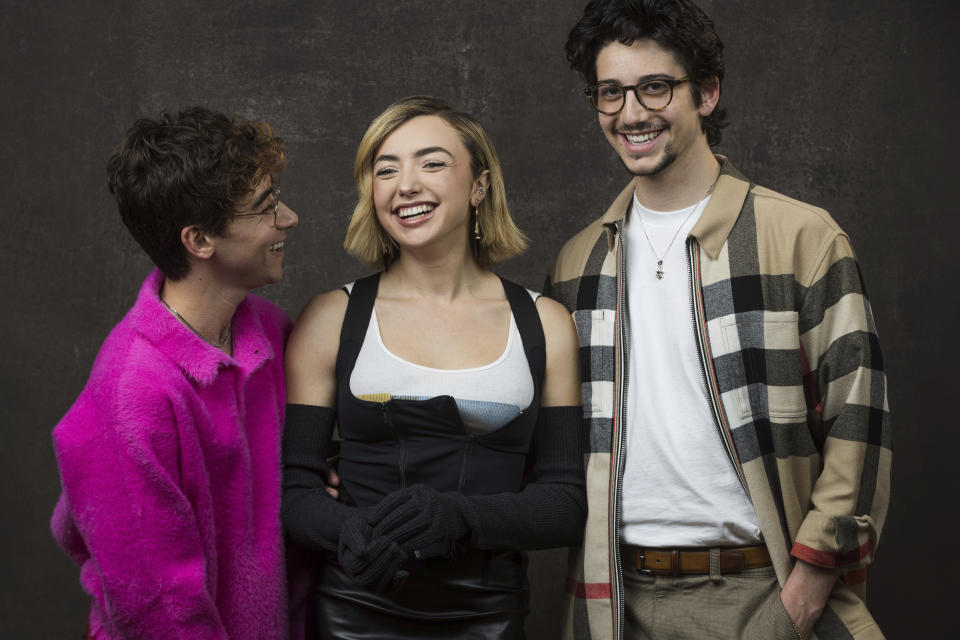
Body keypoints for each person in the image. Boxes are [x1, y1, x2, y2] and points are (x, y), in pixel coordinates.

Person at [544, 2, 891, 639]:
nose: (631, 113)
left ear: (706, 92)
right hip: (616, 601)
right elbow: (549, 437)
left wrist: (804, 595)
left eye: (655, 86)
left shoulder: (800, 239)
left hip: (766, 591)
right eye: (610, 93)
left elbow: (858, 427)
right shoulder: (577, 263)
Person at [281, 95, 587, 639]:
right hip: (354, 605)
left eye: (432, 162)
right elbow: (295, 490)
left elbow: (564, 502)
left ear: (479, 186)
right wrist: (352, 530)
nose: (406, 185)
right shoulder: (331, 317)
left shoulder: (546, 324)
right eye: (386, 169)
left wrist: (462, 519)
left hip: (488, 609)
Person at [50, 107, 299, 640]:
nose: (289, 219)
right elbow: (160, 611)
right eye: (265, 209)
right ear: (200, 241)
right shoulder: (130, 392)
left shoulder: (270, 331)